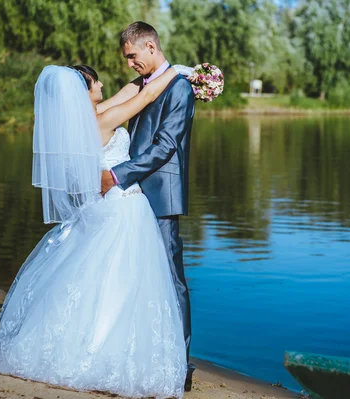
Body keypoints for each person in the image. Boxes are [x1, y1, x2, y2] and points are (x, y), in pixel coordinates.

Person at [0, 63, 191, 399]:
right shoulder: (101, 121)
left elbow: (131, 90)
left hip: (102, 206)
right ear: (84, 92)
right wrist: (177, 71)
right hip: (123, 206)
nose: (104, 84)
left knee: (99, 278)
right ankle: (106, 352)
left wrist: (152, 71)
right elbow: (147, 94)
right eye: (95, 83)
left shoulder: (83, 120)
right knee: (122, 282)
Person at [100, 21, 197, 391]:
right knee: (135, 277)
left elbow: (165, 146)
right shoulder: (141, 86)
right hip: (131, 196)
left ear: (151, 47)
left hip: (160, 197)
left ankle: (182, 365)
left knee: (172, 282)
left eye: (132, 56)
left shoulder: (180, 88)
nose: (129, 63)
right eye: (127, 58)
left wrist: (117, 175)